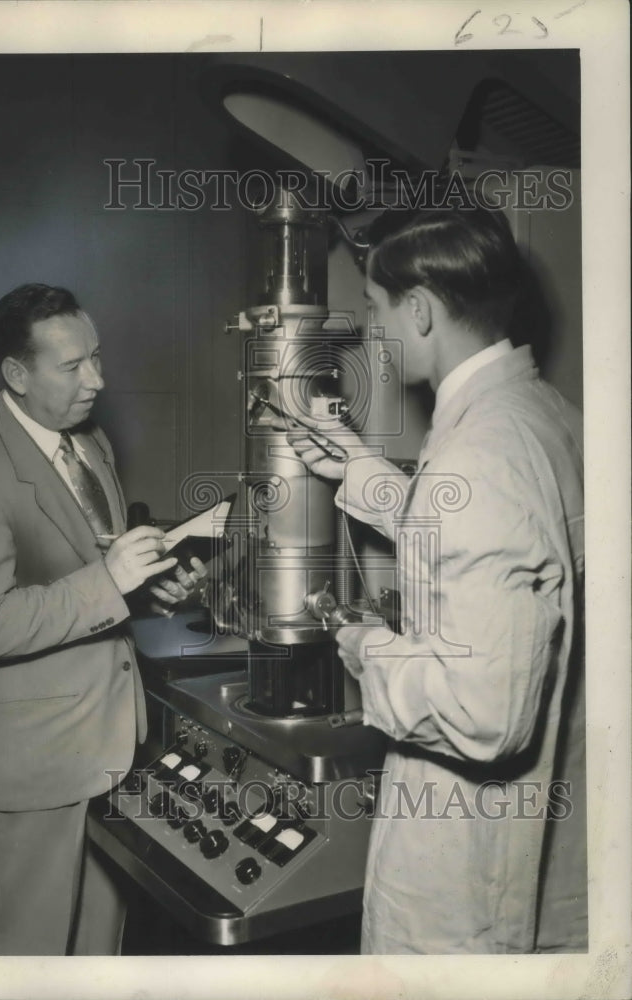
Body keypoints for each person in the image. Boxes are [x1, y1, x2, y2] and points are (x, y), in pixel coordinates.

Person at [288, 208, 586, 954]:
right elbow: (481, 529)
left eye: (375, 309)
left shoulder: (476, 455)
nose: (375, 333)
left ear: (417, 310)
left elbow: (482, 713)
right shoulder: (547, 416)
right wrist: (358, 466)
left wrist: (367, 646)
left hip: (470, 875)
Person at [0, 283, 203, 955]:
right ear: (16, 375)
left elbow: (89, 568)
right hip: (35, 763)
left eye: (97, 358)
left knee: (95, 952)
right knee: (21, 956)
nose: (97, 380)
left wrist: (148, 586)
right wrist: (110, 581)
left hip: (110, 746)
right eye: (73, 366)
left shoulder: (90, 444)